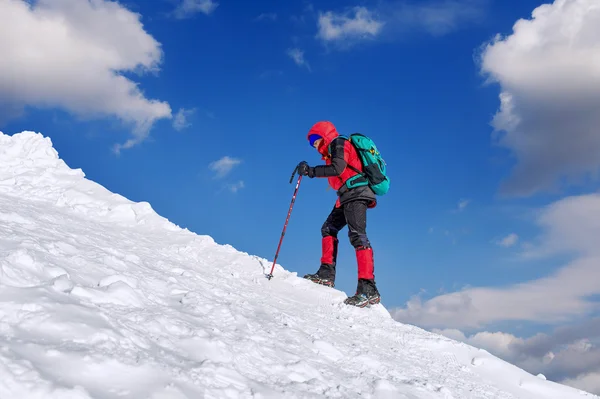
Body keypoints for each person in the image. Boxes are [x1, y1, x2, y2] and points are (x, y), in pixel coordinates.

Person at [297, 121, 381, 308]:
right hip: (346, 195)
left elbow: (338, 169)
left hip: (357, 193)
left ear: (325, 135)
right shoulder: (331, 151)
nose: (314, 145)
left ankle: (368, 288)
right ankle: (326, 274)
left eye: (315, 139)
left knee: (357, 236)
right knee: (328, 228)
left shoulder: (338, 143)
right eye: (311, 142)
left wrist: (310, 171)